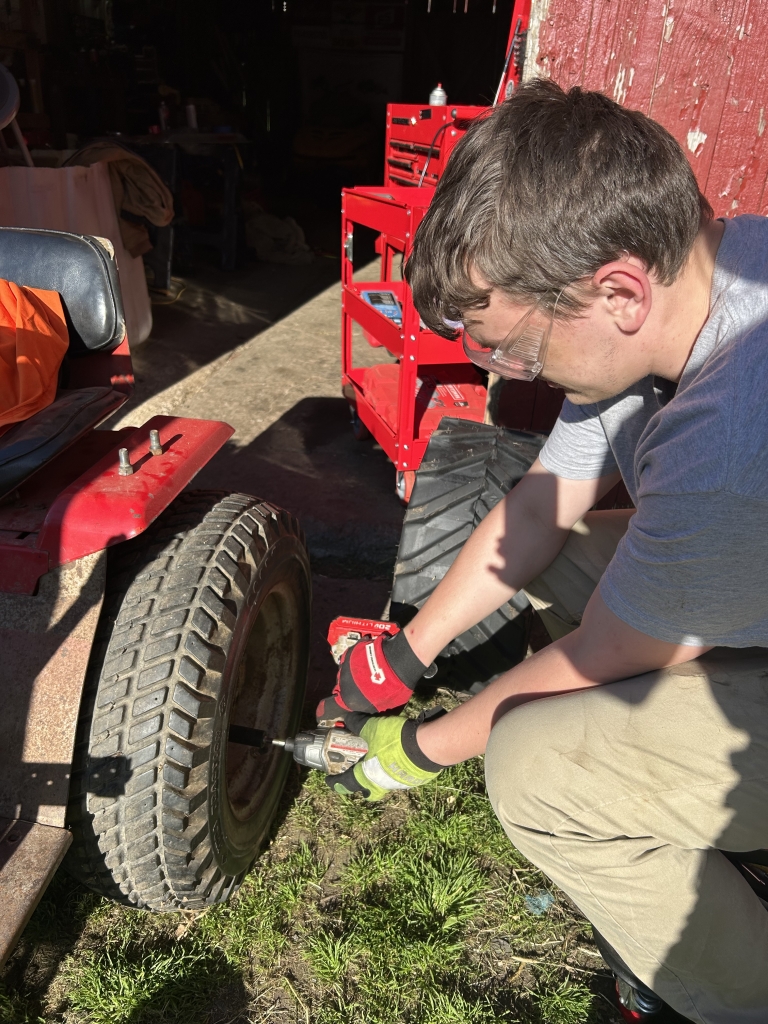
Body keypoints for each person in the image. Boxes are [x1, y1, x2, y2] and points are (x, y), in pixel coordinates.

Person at [316, 80, 768, 1024]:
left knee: (532, 766)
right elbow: (541, 512)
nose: (507, 376)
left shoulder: (727, 435)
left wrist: (419, 751)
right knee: (574, 552)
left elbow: (604, 652)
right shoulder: (708, 277)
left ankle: (738, 992)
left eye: (514, 354)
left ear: (618, 291)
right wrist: (403, 657)